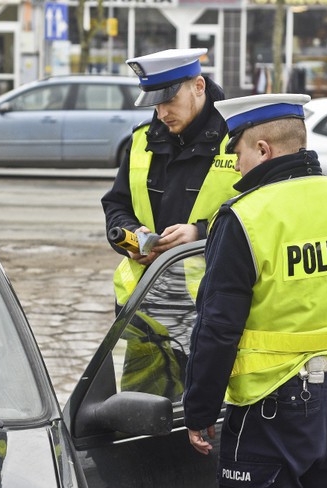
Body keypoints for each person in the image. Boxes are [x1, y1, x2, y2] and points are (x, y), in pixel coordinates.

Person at [183, 94, 327, 488]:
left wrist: (200, 409)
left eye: (237, 152)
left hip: (269, 410)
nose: (236, 167)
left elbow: (218, 327)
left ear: (263, 149)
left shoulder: (246, 217)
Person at [101, 48, 240, 398]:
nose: (162, 112)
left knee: (209, 415)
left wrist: (201, 233)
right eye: (155, 103)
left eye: (169, 100)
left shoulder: (239, 140)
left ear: (198, 85)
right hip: (146, 307)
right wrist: (133, 238)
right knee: (139, 413)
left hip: (212, 311)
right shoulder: (142, 139)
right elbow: (116, 204)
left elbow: (264, 216)